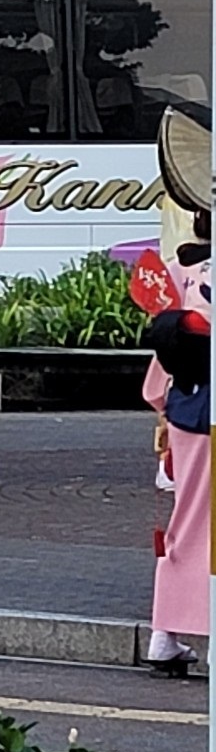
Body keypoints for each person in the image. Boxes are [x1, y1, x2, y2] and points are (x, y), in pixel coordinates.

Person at [144, 205, 210, 672]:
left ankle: (165, 634)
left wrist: (161, 404)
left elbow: (163, 349)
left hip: (187, 404)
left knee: (186, 520)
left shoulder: (184, 269)